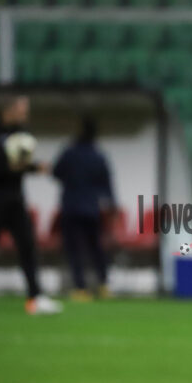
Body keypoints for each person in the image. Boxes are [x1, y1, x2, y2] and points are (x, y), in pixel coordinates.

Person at [0, 95, 63, 318]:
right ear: (8, 110)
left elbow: (21, 165)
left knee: (28, 247)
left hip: (15, 202)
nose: (25, 114)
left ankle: (35, 297)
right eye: (22, 110)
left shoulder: (23, 135)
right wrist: (13, 166)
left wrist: (35, 167)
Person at [53, 117, 115, 301]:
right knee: (96, 248)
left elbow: (56, 172)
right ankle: (103, 285)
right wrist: (111, 205)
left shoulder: (69, 153)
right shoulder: (98, 156)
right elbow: (107, 184)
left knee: (74, 249)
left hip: (71, 207)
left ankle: (80, 288)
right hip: (91, 209)